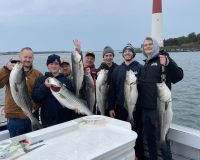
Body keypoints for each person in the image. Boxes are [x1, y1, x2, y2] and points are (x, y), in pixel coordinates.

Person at [139, 37, 184, 160]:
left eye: (150, 44)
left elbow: (178, 76)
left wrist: (168, 63)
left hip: (159, 109)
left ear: (156, 46)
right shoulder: (145, 65)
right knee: (150, 140)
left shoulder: (163, 59)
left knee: (163, 140)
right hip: (145, 110)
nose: (147, 46)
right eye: (145, 45)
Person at [108, 43, 144, 159]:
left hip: (136, 108)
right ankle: (123, 156)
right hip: (120, 108)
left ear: (133, 54)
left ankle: (138, 155)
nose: (127, 53)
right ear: (123, 54)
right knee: (121, 133)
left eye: (129, 51)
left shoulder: (140, 68)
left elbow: (144, 89)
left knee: (137, 134)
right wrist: (111, 107)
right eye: (125, 51)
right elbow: (112, 90)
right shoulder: (117, 70)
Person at [0, 47, 43, 137]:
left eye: (30, 57)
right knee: (19, 148)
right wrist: (6, 69)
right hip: (15, 118)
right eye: (25, 57)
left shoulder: (38, 74)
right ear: (20, 57)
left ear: (33, 59)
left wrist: (36, 106)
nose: (27, 59)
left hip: (32, 115)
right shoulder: (10, 71)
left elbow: (41, 95)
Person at [32, 54, 76, 128]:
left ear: (59, 66)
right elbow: (36, 97)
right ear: (47, 66)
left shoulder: (67, 81)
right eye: (51, 63)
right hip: (48, 121)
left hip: (66, 120)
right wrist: (45, 86)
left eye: (56, 64)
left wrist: (76, 109)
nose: (54, 66)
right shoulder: (41, 80)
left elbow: (73, 97)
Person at [97, 46, 118, 115]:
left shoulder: (118, 68)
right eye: (106, 55)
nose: (108, 57)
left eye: (110, 55)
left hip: (115, 103)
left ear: (113, 56)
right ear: (103, 57)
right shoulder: (99, 70)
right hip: (102, 101)